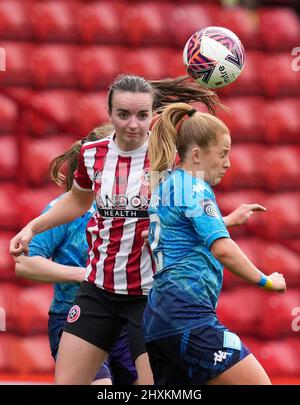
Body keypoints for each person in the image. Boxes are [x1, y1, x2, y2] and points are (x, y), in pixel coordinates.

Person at [9, 74, 267, 385]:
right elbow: (77, 202)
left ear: (153, 116)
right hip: (98, 291)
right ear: (109, 114)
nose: (133, 124)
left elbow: (175, 221)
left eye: (142, 115)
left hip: (146, 297)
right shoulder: (93, 154)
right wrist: (31, 228)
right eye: (123, 114)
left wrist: (222, 221)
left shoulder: (166, 163)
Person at [144, 102, 287, 385]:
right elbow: (223, 249)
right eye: (222, 154)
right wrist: (265, 281)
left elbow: (178, 229)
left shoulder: (168, 181)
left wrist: (225, 220)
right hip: (188, 317)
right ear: (196, 155)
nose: (228, 163)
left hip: (158, 321)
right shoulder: (194, 186)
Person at [14, 129, 138, 385]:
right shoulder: (63, 210)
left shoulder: (130, 206)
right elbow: (24, 263)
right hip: (74, 317)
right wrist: (85, 275)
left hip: (124, 321)